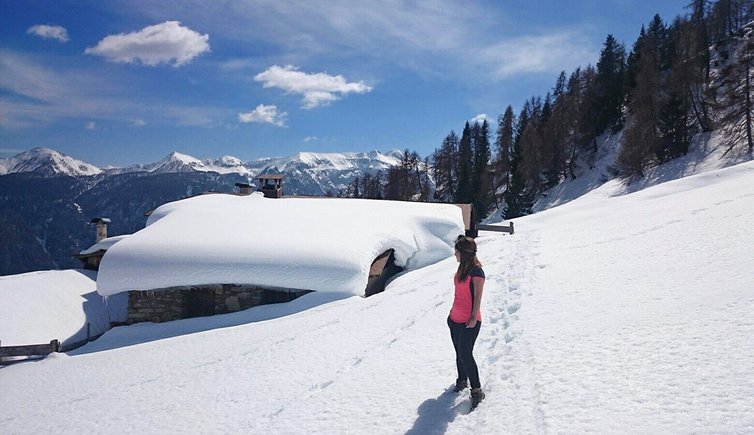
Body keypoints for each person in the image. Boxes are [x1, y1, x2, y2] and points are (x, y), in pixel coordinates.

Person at [448, 235, 486, 410]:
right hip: (454, 319)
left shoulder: (476, 271)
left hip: (469, 321)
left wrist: (472, 317)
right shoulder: (461, 269)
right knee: (459, 353)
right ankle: (462, 380)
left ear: (463, 253)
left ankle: (477, 390)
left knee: (466, 354)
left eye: (456, 251)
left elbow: (478, 296)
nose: (454, 253)